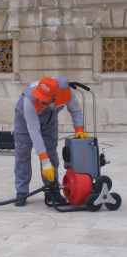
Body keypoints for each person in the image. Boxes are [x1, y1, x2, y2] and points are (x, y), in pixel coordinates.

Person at [13, 77, 90, 206]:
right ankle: (21, 192)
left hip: (50, 122)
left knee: (51, 154)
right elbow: (34, 132)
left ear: (54, 96)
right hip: (25, 122)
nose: (40, 100)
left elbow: (75, 109)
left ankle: (51, 190)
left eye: (44, 98)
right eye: (39, 96)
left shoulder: (66, 91)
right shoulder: (30, 100)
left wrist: (79, 130)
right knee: (23, 154)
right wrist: (44, 162)